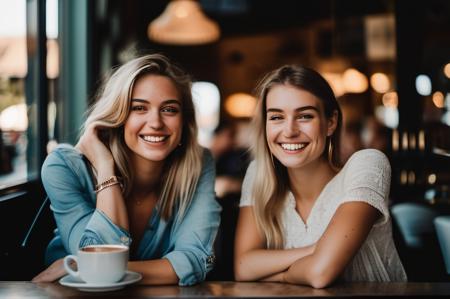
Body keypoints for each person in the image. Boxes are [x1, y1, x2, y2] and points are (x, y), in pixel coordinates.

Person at [32, 54, 221, 286]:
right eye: (139, 108)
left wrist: (81, 267)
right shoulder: (63, 166)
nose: (156, 123)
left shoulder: (199, 163)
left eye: (169, 109)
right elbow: (96, 251)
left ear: (184, 122)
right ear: (118, 116)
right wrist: (104, 167)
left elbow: (197, 259)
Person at [234, 65, 406, 288]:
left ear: (331, 123)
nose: (289, 130)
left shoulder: (367, 164)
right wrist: (315, 251)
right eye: (276, 117)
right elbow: (242, 266)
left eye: (305, 116)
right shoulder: (259, 174)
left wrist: (281, 275)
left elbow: (320, 273)